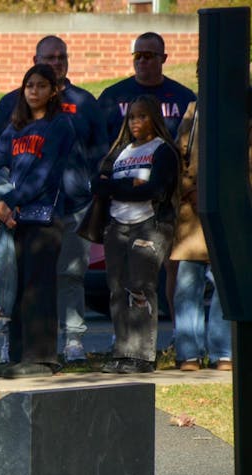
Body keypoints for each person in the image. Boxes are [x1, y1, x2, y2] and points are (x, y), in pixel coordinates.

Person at [0, 36, 108, 363]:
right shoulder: (12, 105)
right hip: (20, 211)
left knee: (70, 274)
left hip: (73, 205)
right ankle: (13, 343)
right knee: (19, 278)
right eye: (49, 58)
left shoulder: (82, 103)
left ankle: (73, 340)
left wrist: (92, 189)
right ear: (34, 61)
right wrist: (4, 199)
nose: (56, 63)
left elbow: (100, 151)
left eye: (61, 57)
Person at [0, 64, 75, 378]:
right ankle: (18, 355)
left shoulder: (59, 124)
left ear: (53, 91)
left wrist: (10, 201)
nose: (34, 91)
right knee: (18, 288)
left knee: (39, 288)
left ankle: (41, 358)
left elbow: (45, 174)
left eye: (41, 85)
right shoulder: (16, 126)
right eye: (29, 86)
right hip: (15, 218)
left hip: (45, 218)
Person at [93, 95, 179, 374]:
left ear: (154, 118)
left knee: (140, 287)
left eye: (142, 116)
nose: (135, 122)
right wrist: (131, 184)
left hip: (149, 225)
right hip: (117, 226)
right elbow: (97, 184)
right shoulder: (121, 151)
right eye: (131, 117)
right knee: (117, 290)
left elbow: (155, 191)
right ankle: (122, 352)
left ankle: (141, 356)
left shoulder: (163, 150)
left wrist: (117, 187)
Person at [170, 101, 232, 372]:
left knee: (225, 286)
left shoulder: (242, 107)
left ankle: (224, 351)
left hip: (231, 209)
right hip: (193, 215)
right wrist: (190, 188)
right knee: (187, 285)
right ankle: (189, 352)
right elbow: (179, 155)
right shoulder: (194, 110)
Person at [97, 32, 196, 144]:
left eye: (148, 56)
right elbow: (96, 137)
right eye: (137, 56)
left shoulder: (184, 97)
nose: (141, 60)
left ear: (163, 58)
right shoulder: (112, 96)